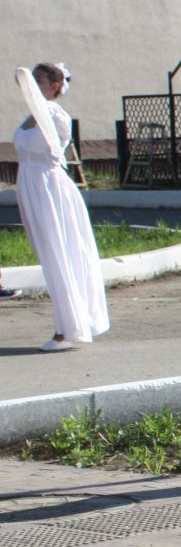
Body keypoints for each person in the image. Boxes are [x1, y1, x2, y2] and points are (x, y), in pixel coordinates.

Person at [12, 62, 107, 352]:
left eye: (41, 80)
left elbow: (53, 149)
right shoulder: (34, 113)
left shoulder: (53, 113)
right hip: (33, 187)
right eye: (35, 80)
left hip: (50, 191)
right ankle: (68, 324)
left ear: (55, 85)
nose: (36, 85)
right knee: (50, 257)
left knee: (60, 256)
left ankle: (67, 330)